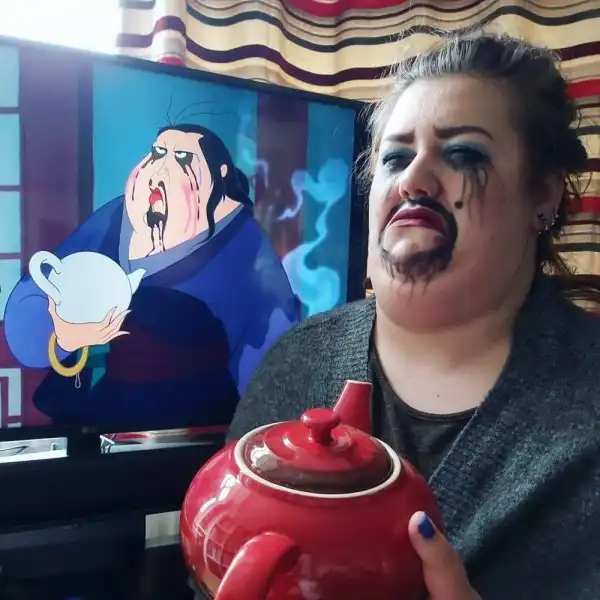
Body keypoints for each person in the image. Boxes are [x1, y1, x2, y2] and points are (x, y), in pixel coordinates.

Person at [227, 30, 600, 600]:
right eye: (396, 157)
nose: (412, 180)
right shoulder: (295, 362)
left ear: (542, 196)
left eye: (462, 153)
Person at [4, 124, 299, 429]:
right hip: (101, 419)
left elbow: (272, 365)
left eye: (182, 157)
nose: (162, 167)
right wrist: (64, 336)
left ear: (220, 172)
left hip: (195, 430)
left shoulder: (246, 242)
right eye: (158, 152)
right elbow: (31, 301)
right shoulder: (119, 215)